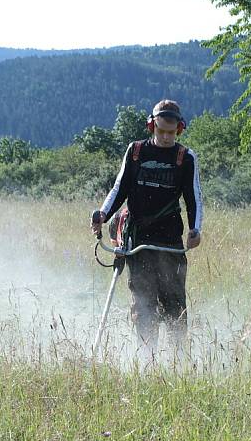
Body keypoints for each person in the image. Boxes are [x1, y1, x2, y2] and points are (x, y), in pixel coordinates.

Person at [91, 100, 203, 355]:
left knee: (175, 304)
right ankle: (146, 358)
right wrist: (103, 215)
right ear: (152, 125)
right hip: (138, 240)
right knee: (143, 305)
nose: (165, 137)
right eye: (160, 131)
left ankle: (178, 361)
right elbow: (119, 188)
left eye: (171, 133)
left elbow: (194, 197)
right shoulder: (136, 151)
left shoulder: (185, 158)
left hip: (170, 240)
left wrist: (195, 229)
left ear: (179, 130)